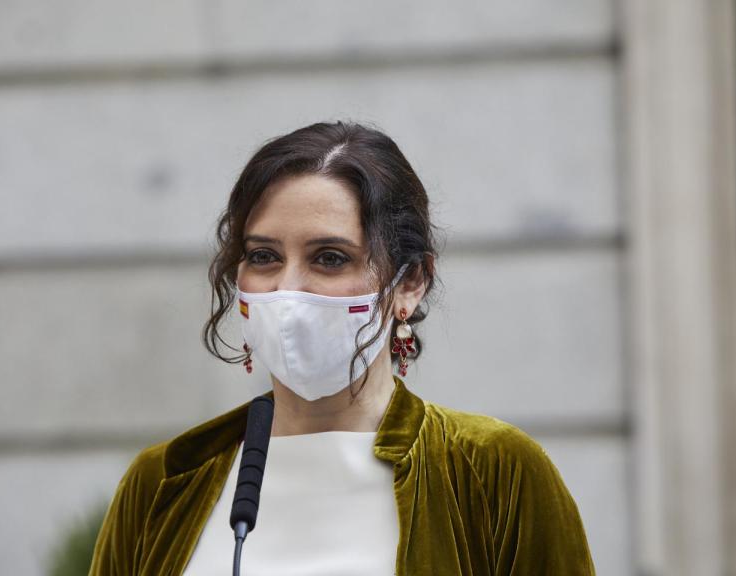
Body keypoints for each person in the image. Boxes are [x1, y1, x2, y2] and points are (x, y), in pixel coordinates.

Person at [88, 121, 596, 575]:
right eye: (263, 256)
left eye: (330, 258)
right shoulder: (165, 479)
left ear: (410, 281)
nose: (288, 289)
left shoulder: (493, 470)